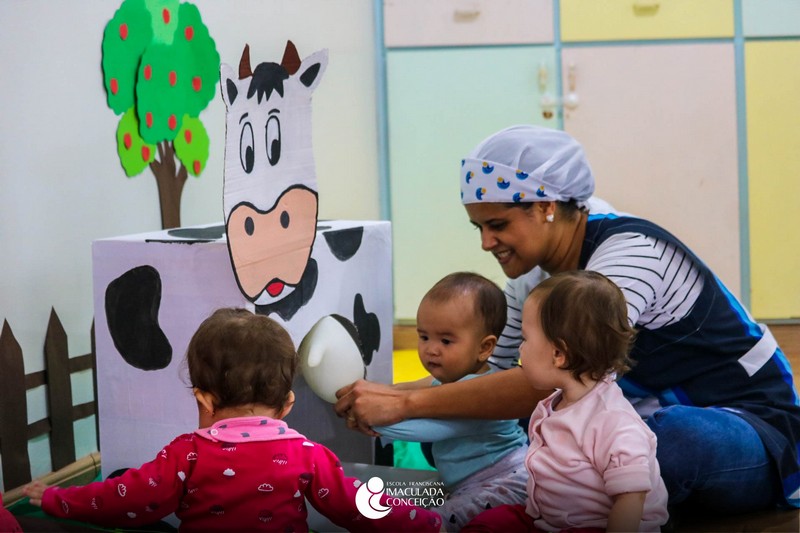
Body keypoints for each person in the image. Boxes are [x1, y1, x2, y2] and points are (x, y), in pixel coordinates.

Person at [335, 125, 800, 515]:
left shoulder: (628, 254)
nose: (486, 244)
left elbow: (547, 380)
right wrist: (384, 395)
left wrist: (404, 406)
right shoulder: (532, 276)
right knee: (565, 441)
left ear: (545, 207)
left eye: (497, 226)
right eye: (479, 228)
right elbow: (494, 380)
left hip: (754, 432)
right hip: (626, 433)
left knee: (661, 441)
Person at [23, 308, 443, 532]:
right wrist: (425, 521)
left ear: (204, 400)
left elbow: (129, 499)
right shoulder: (307, 455)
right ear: (288, 403)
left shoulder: (185, 454)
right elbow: (357, 506)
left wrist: (60, 499)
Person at [463, 270, 669, 532]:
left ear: (558, 354)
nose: (520, 349)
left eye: (525, 339)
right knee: (492, 522)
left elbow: (630, 500)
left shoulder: (613, 421)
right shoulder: (555, 403)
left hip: (597, 526)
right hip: (548, 519)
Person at [373, 272, 528, 530]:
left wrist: (376, 423)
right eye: (424, 337)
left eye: (446, 340)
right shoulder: (446, 383)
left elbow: (430, 429)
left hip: (505, 482)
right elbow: (413, 401)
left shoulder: (480, 392)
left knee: (436, 522)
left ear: (484, 347)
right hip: (469, 483)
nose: (431, 349)